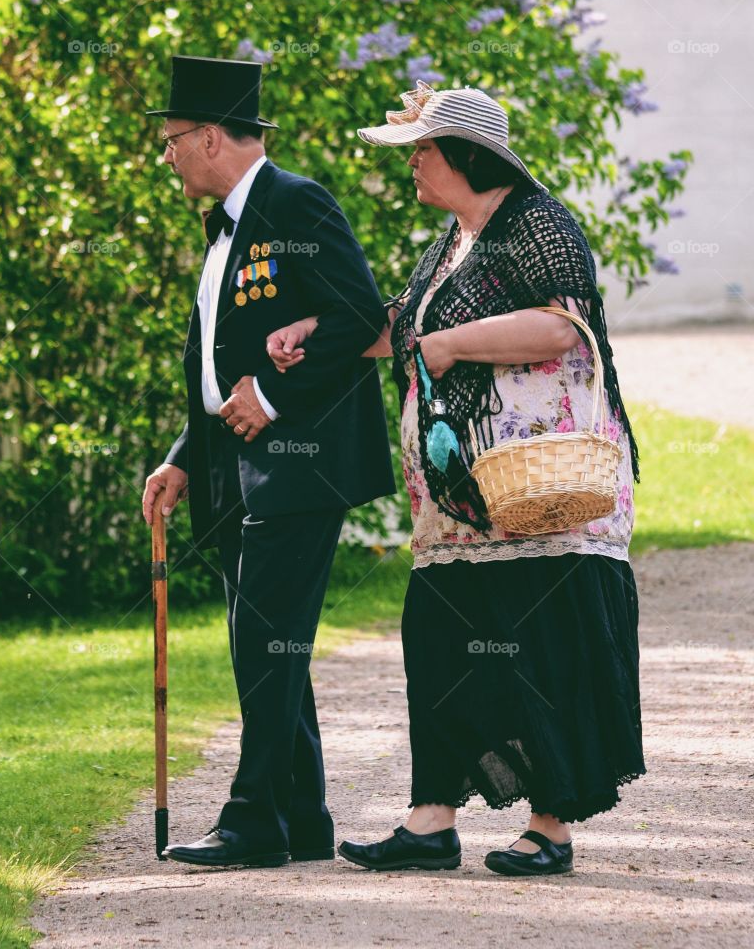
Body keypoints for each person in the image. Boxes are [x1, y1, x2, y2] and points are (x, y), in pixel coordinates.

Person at [267, 83, 646, 877]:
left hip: (543, 494)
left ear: (468, 156)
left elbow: (562, 326)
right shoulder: (454, 241)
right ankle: (430, 821)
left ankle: (551, 828)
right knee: (438, 643)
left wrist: (450, 343)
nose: (412, 163)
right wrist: (316, 331)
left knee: (544, 649)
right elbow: (403, 325)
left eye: (422, 150)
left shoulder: (537, 223)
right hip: (464, 506)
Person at [141, 55, 396, 868]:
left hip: (298, 464)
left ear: (211, 136)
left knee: (264, 643)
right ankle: (301, 814)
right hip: (233, 468)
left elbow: (359, 316)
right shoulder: (223, 226)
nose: (168, 154)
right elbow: (220, 359)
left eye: (174, 140)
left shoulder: (297, 202)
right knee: (272, 643)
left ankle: (252, 821)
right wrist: (186, 452)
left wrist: (276, 401)